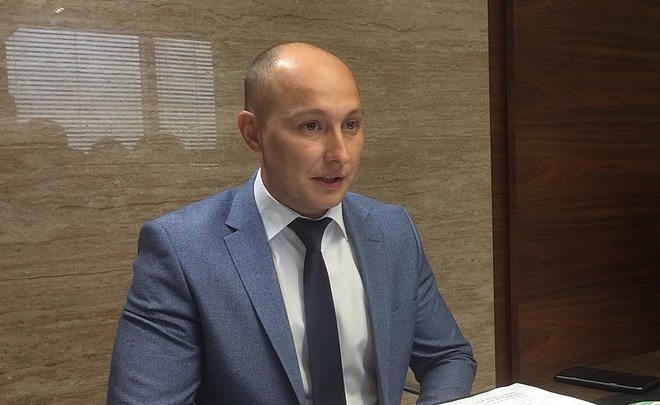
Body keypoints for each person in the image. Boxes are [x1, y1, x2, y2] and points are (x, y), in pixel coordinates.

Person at [107, 42, 476, 405]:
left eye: (351, 124)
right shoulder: (183, 250)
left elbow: (448, 357)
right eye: (312, 126)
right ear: (253, 132)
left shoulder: (393, 230)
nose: (339, 154)